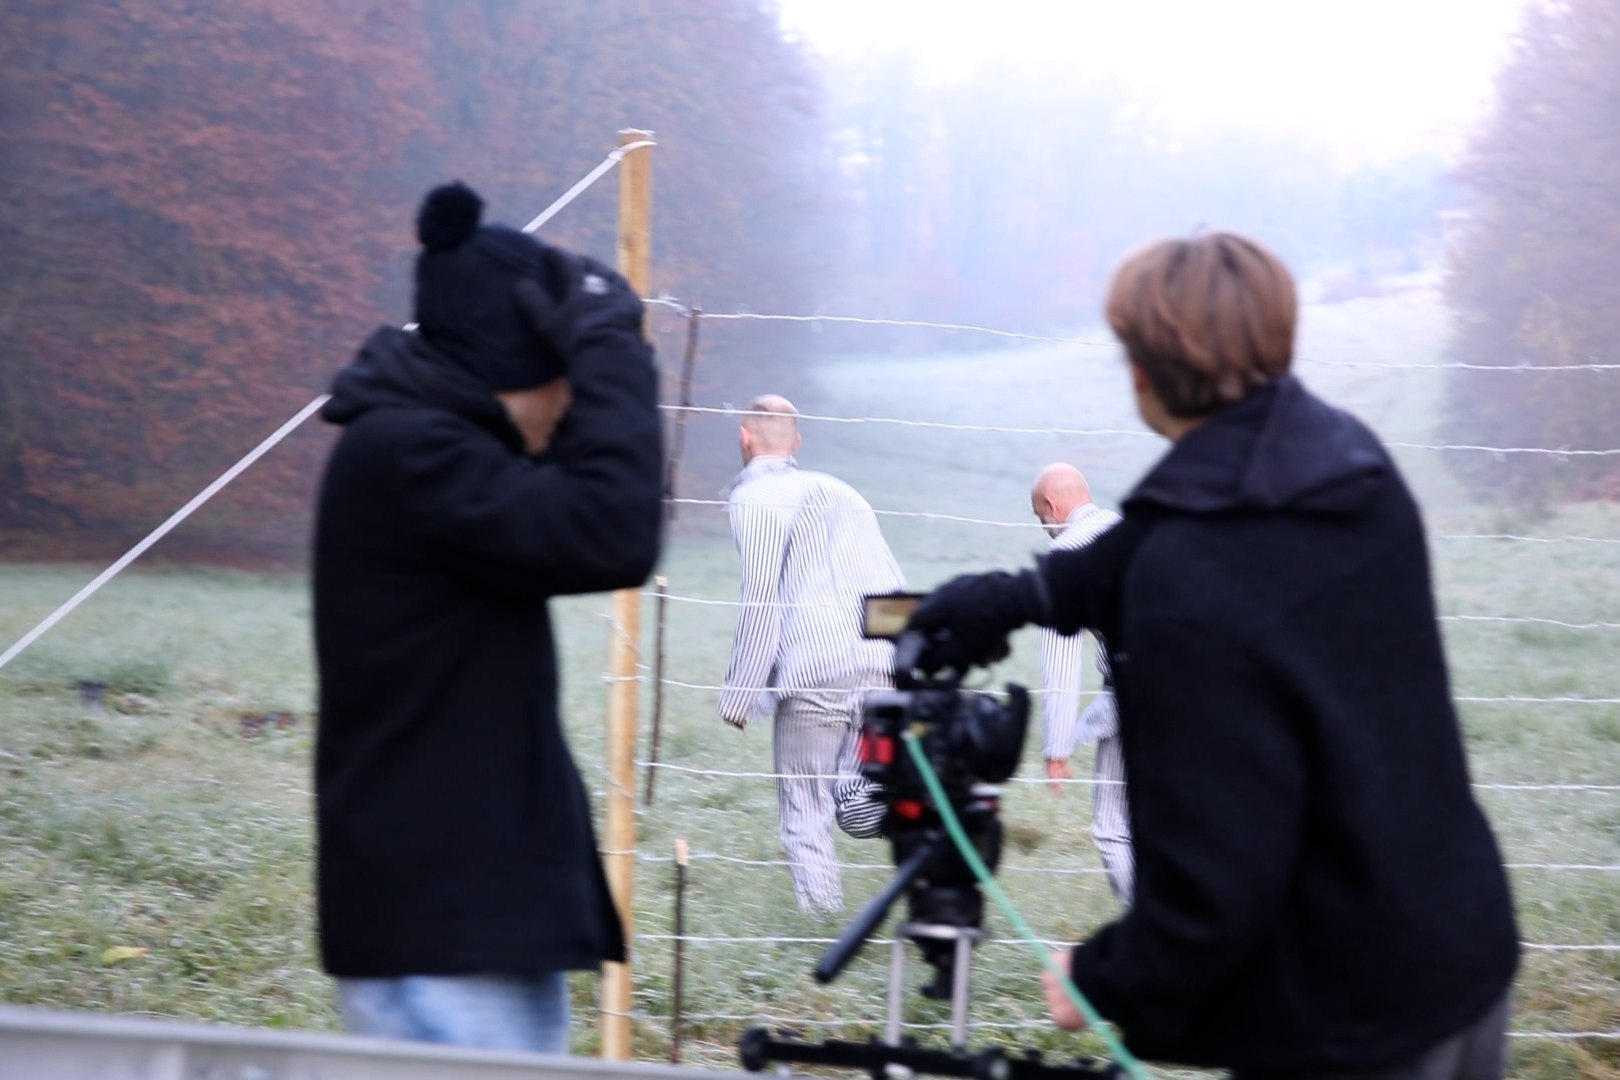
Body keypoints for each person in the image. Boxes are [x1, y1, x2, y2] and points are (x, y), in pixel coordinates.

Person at [906, 232, 1518, 1078]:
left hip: (1342, 1015)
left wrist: (1107, 977)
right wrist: (1024, 596)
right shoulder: (1348, 465)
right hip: (1460, 942)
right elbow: (1175, 532)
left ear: (1145, 372)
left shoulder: (1191, 582)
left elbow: (1216, 878)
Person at [311, 181, 662, 1054]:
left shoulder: (427, 450)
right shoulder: (412, 454)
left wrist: (590, 350)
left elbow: (589, 511)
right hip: (444, 927)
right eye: (565, 382)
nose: (572, 404)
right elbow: (610, 531)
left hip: (463, 919)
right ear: (515, 368)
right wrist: (610, 345)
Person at [720, 394, 905, 913]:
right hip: (880, 665)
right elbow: (889, 581)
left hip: (814, 673)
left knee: (805, 810)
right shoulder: (841, 490)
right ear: (797, 442)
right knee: (857, 793)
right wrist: (903, 667)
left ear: (745, 436)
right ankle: (905, 824)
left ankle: (822, 922)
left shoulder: (751, 499)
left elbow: (762, 598)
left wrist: (740, 696)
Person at [1030, 463, 1132, 904]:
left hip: (1142, 691)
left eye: (1041, 519)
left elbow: (1061, 665)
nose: (1045, 529)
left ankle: (1157, 943)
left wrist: (1057, 750)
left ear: (1052, 507)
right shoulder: (1137, 532)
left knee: (1113, 828)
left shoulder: (1066, 555)